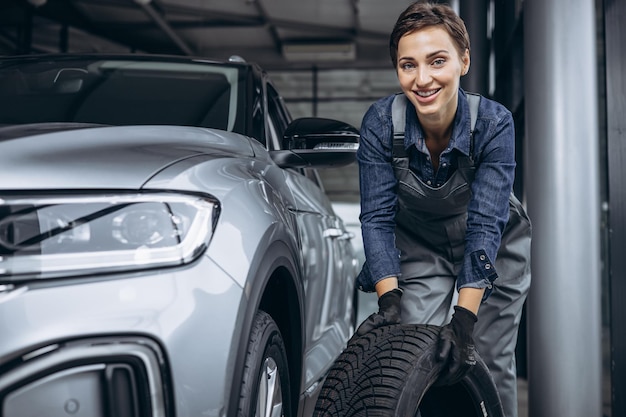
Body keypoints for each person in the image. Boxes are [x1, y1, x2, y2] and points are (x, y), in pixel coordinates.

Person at [354, 2, 531, 417]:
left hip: (495, 243)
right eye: (408, 65)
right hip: (420, 242)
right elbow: (377, 218)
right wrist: (390, 299)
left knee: (488, 355)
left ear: (463, 60)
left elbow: (485, 224)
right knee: (422, 350)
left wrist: (465, 320)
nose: (422, 79)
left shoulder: (494, 123)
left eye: (437, 61)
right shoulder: (381, 123)